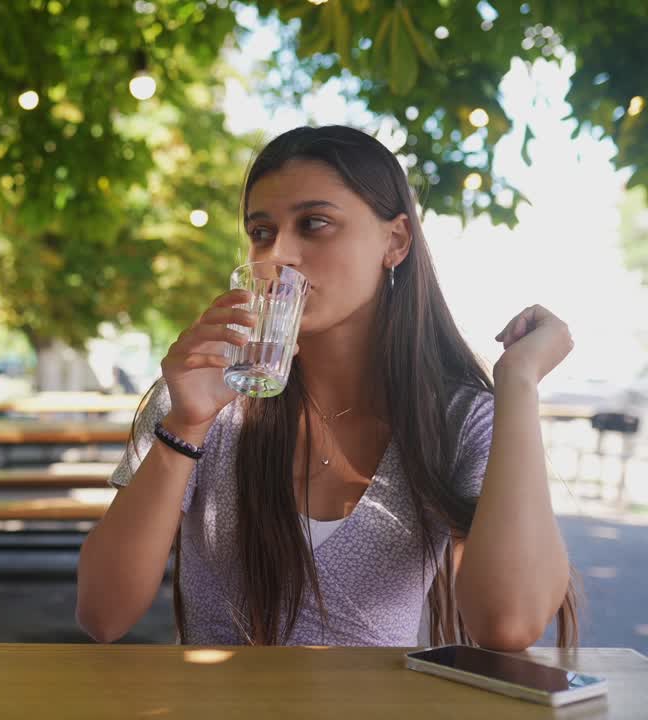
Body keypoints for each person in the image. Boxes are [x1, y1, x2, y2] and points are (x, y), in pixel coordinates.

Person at [77, 125, 578, 651]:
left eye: (314, 224)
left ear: (396, 240)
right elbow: (102, 614)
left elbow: (509, 624)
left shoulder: (455, 420)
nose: (277, 256)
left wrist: (517, 386)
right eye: (262, 232)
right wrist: (184, 426)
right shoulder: (202, 400)